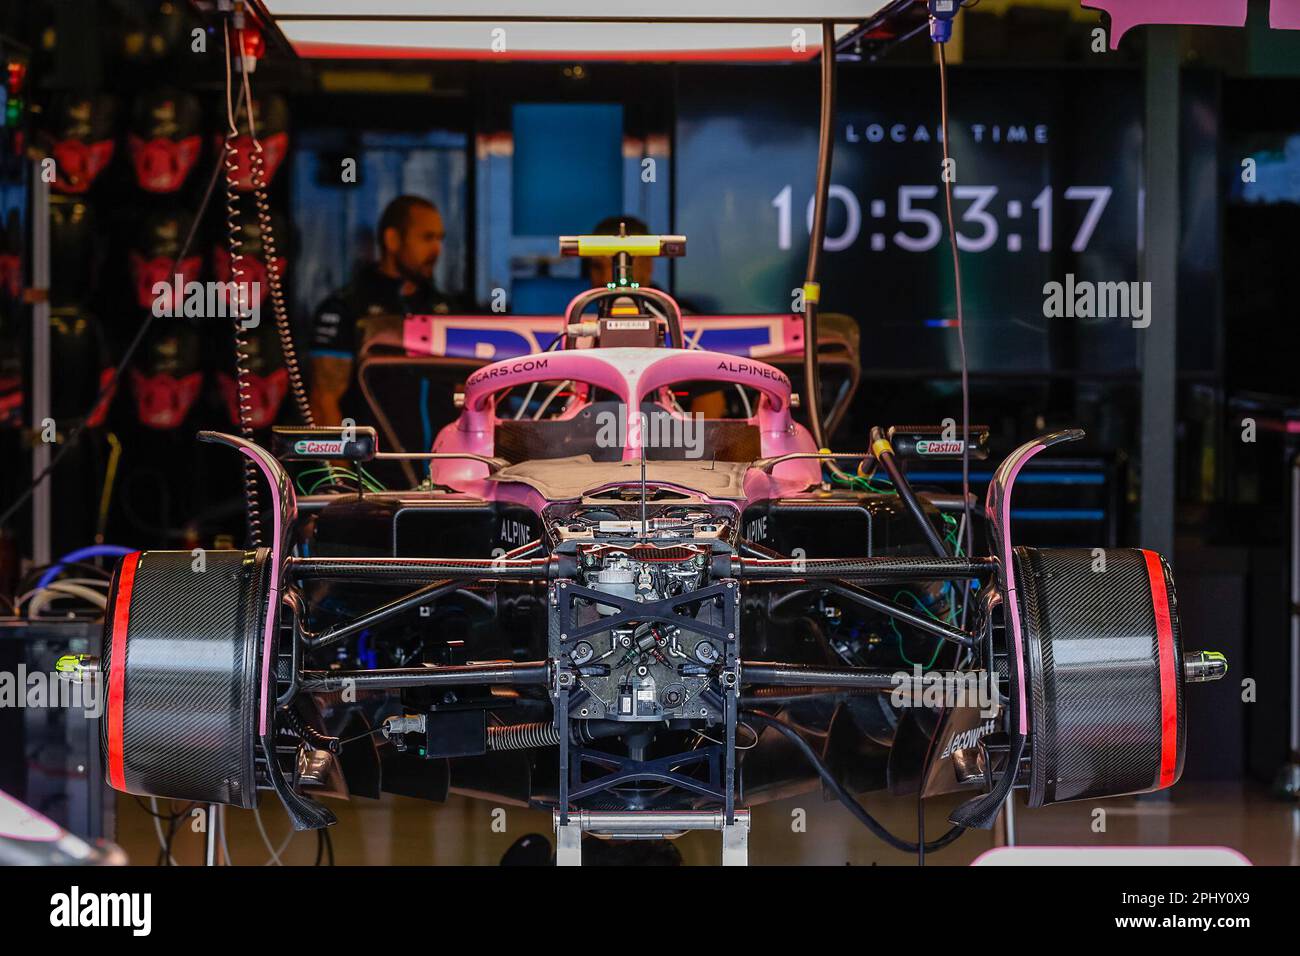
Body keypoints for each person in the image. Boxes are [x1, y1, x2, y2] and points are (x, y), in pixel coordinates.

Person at [308, 195, 455, 425]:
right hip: (369, 459)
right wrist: (341, 462)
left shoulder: (448, 309)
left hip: (446, 459)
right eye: (427, 238)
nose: (437, 249)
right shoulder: (345, 308)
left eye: (440, 239)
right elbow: (323, 402)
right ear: (393, 239)